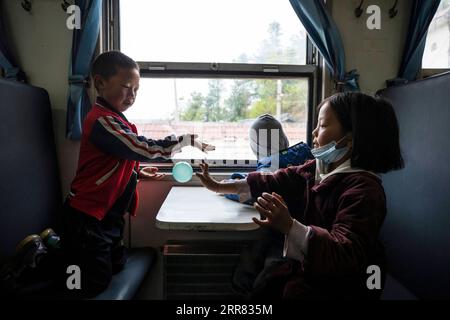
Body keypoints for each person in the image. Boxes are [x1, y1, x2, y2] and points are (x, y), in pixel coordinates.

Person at [196, 92, 404, 299]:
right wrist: (220, 186)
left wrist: (289, 226)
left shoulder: (364, 191)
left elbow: (345, 255)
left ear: (348, 141)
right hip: (316, 265)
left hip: (349, 281)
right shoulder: (319, 169)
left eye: (322, 125)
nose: (314, 132)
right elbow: (275, 180)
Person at [62, 51, 213, 298]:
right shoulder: (101, 121)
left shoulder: (117, 121)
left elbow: (116, 158)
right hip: (86, 217)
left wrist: (138, 172)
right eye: (125, 87)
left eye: (136, 90)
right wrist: (183, 140)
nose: (131, 96)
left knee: (117, 265)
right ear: (100, 83)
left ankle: (65, 249)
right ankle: (45, 255)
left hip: (109, 217)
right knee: (94, 283)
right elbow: (139, 147)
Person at [223, 114, 313, 204]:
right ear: (284, 139)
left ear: (256, 147)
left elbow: (252, 194)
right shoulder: (303, 151)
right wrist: (242, 178)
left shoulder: (269, 165)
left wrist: (227, 187)